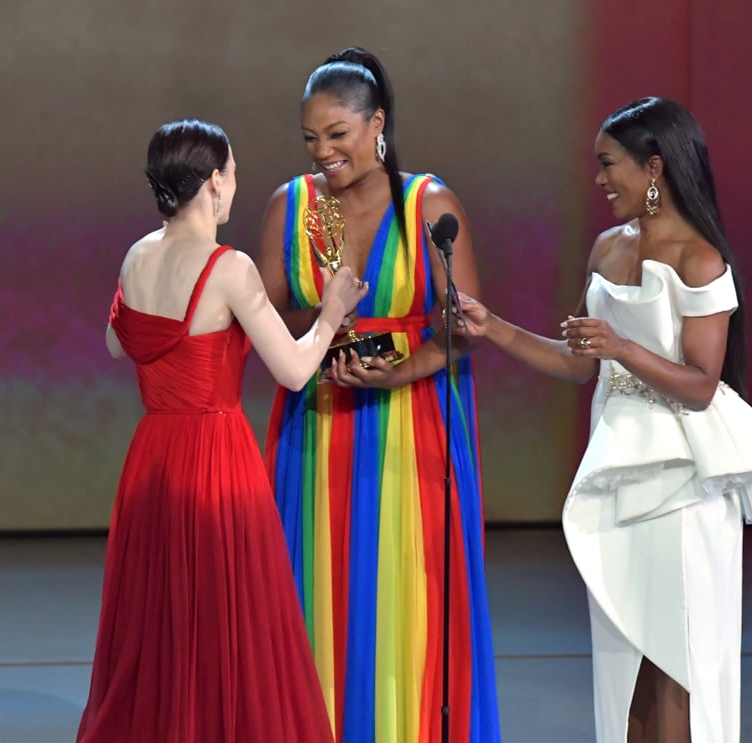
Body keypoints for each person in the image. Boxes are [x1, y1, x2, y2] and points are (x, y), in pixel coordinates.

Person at [456, 97, 752, 743]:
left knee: (675, 656)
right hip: (618, 471)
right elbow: (577, 363)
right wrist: (494, 328)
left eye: (608, 163)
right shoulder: (606, 247)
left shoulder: (701, 260)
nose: (599, 178)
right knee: (626, 654)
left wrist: (620, 346)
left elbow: (702, 386)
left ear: (653, 168)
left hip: (681, 483)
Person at [77, 118, 367, 742]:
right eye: (232, 172)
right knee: (226, 619)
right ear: (212, 182)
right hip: (214, 459)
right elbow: (292, 371)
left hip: (152, 459)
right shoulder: (228, 267)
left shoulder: (137, 255)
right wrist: (335, 310)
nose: (235, 184)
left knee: (160, 621)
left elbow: (115, 345)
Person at [255, 48, 500, 743]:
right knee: (312, 594)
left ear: (378, 125)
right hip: (317, 425)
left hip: (412, 425)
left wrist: (403, 367)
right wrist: (323, 334)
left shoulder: (429, 203)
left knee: (406, 598)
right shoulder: (291, 205)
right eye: (310, 138)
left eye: (337, 134)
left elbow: (468, 325)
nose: (323, 151)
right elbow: (263, 317)